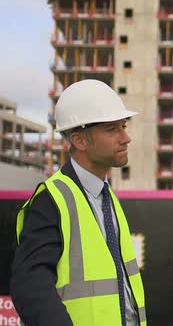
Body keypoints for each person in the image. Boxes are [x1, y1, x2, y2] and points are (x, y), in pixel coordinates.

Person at [10, 79, 147, 326]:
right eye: (112, 129)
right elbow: (30, 284)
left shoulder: (109, 198)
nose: (126, 137)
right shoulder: (51, 200)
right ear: (80, 140)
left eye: (123, 126)